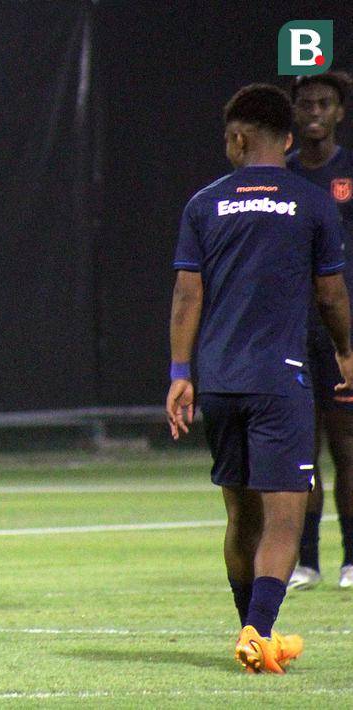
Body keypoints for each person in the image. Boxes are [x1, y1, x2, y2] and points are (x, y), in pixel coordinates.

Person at [167, 83, 353, 673]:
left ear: (240, 138)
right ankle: (260, 632)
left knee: (239, 518)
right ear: (290, 138)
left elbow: (186, 294)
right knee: (285, 516)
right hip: (282, 378)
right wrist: (347, 350)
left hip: (218, 381)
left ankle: (252, 630)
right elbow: (330, 293)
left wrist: (180, 373)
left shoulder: (204, 203)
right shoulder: (312, 202)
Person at [286, 71, 353, 591]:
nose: (314, 112)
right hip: (291, 331)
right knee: (298, 451)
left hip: (343, 332)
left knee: (347, 447)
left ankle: (352, 557)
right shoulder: (281, 176)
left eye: (324, 103)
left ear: (339, 112)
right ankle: (305, 559)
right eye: (305, 103)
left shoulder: (350, 170)